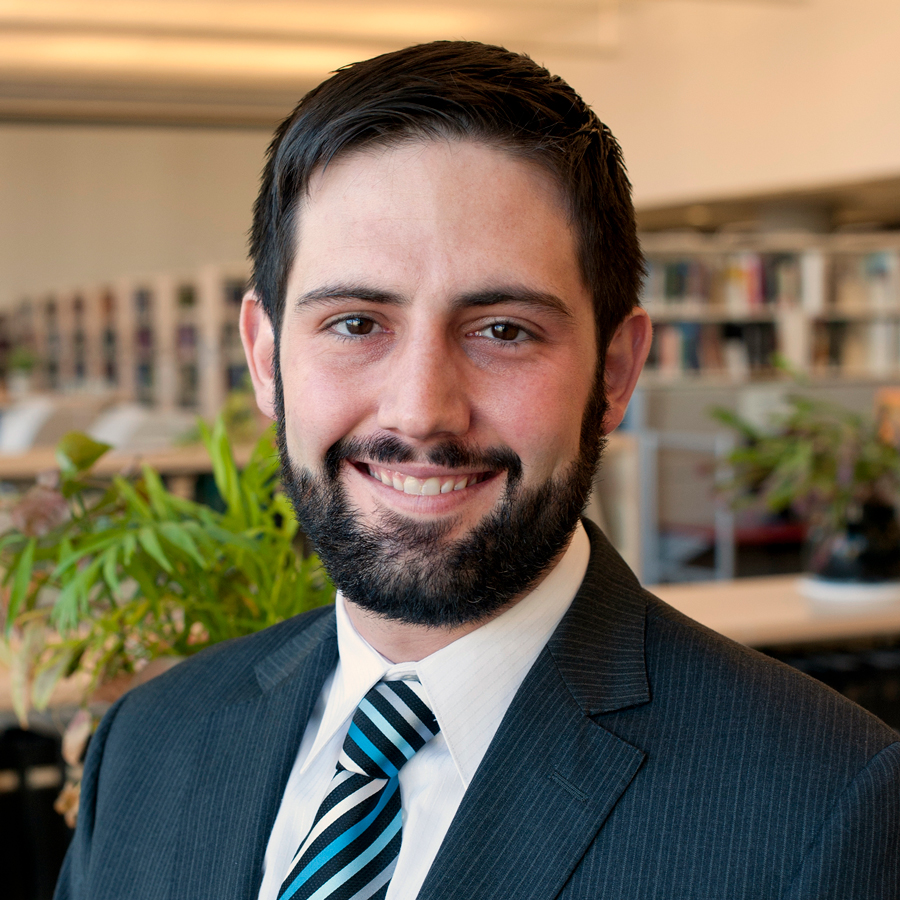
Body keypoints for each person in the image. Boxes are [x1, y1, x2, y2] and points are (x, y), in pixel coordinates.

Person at [55, 41, 899, 900]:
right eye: (355, 324)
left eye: (503, 330)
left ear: (613, 374)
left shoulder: (823, 805)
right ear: (266, 361)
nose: (421, 410)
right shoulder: (147, 745)